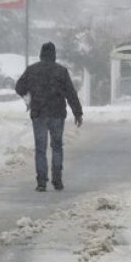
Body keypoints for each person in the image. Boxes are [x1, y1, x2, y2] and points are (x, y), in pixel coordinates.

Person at [15, 42, 83, 192]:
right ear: (54, 55)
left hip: (39, 113)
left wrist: (29, 95)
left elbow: (19, 87)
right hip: (57, 113)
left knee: (40, 148)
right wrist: (77, 112)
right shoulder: (61, 71)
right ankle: (57, 179)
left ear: (41, 54)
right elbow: (71, 93)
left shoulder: (32, 70)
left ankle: (41, 181)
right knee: (57, 146)